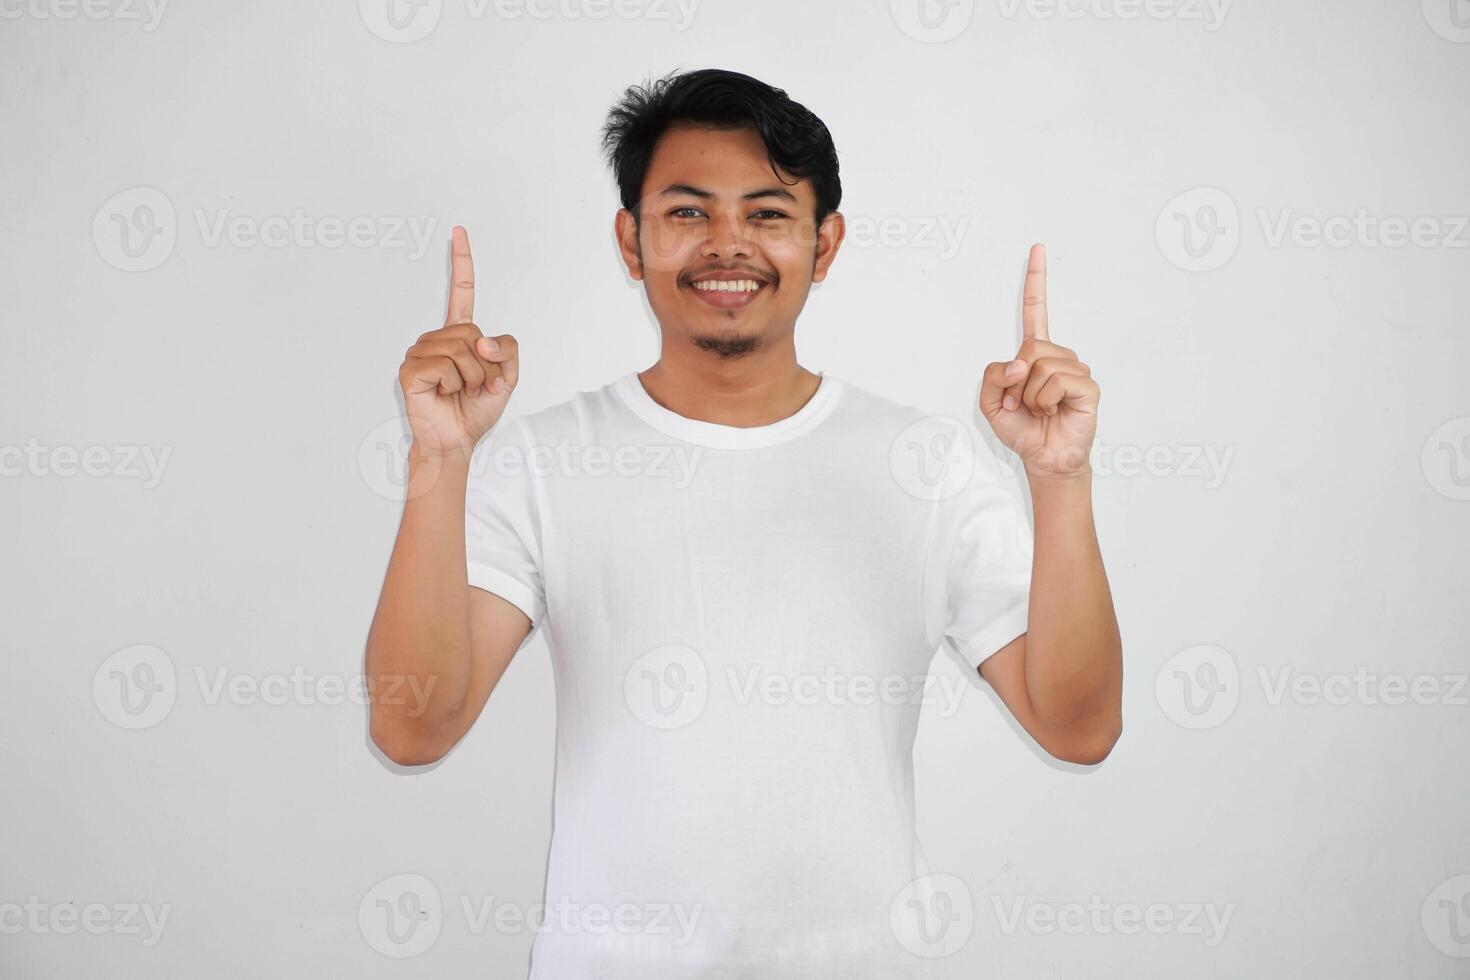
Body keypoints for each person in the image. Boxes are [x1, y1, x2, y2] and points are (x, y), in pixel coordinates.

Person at [364, 67, 1122, 978]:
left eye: (767, 214)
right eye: (687, 213)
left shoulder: (928, 466)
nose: (728, 246)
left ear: (825, 242)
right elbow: (413, 728)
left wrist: (1061, 482)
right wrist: (439, 460)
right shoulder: (542, 462)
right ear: (630, 239)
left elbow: (1080, 727)